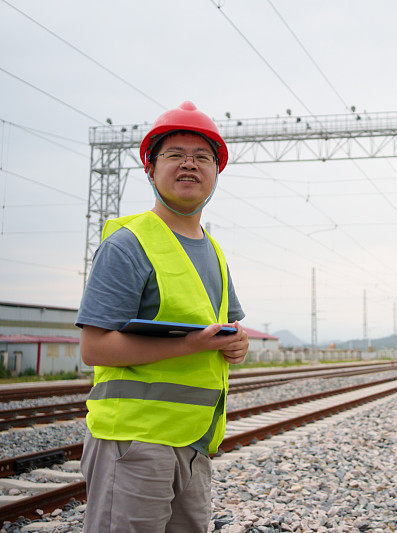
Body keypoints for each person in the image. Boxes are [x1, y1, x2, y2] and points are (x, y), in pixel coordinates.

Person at [77, 101, 250, 532]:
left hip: (193, 444)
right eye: (175, 155)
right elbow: (93, 347)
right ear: (151, 171)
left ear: (215, 174)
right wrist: (190, 344)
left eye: (202, 157)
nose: (190, 165)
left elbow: (223, 335)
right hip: (134, 442)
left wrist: (236, 345)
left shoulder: (213, 250)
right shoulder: (128, 244)